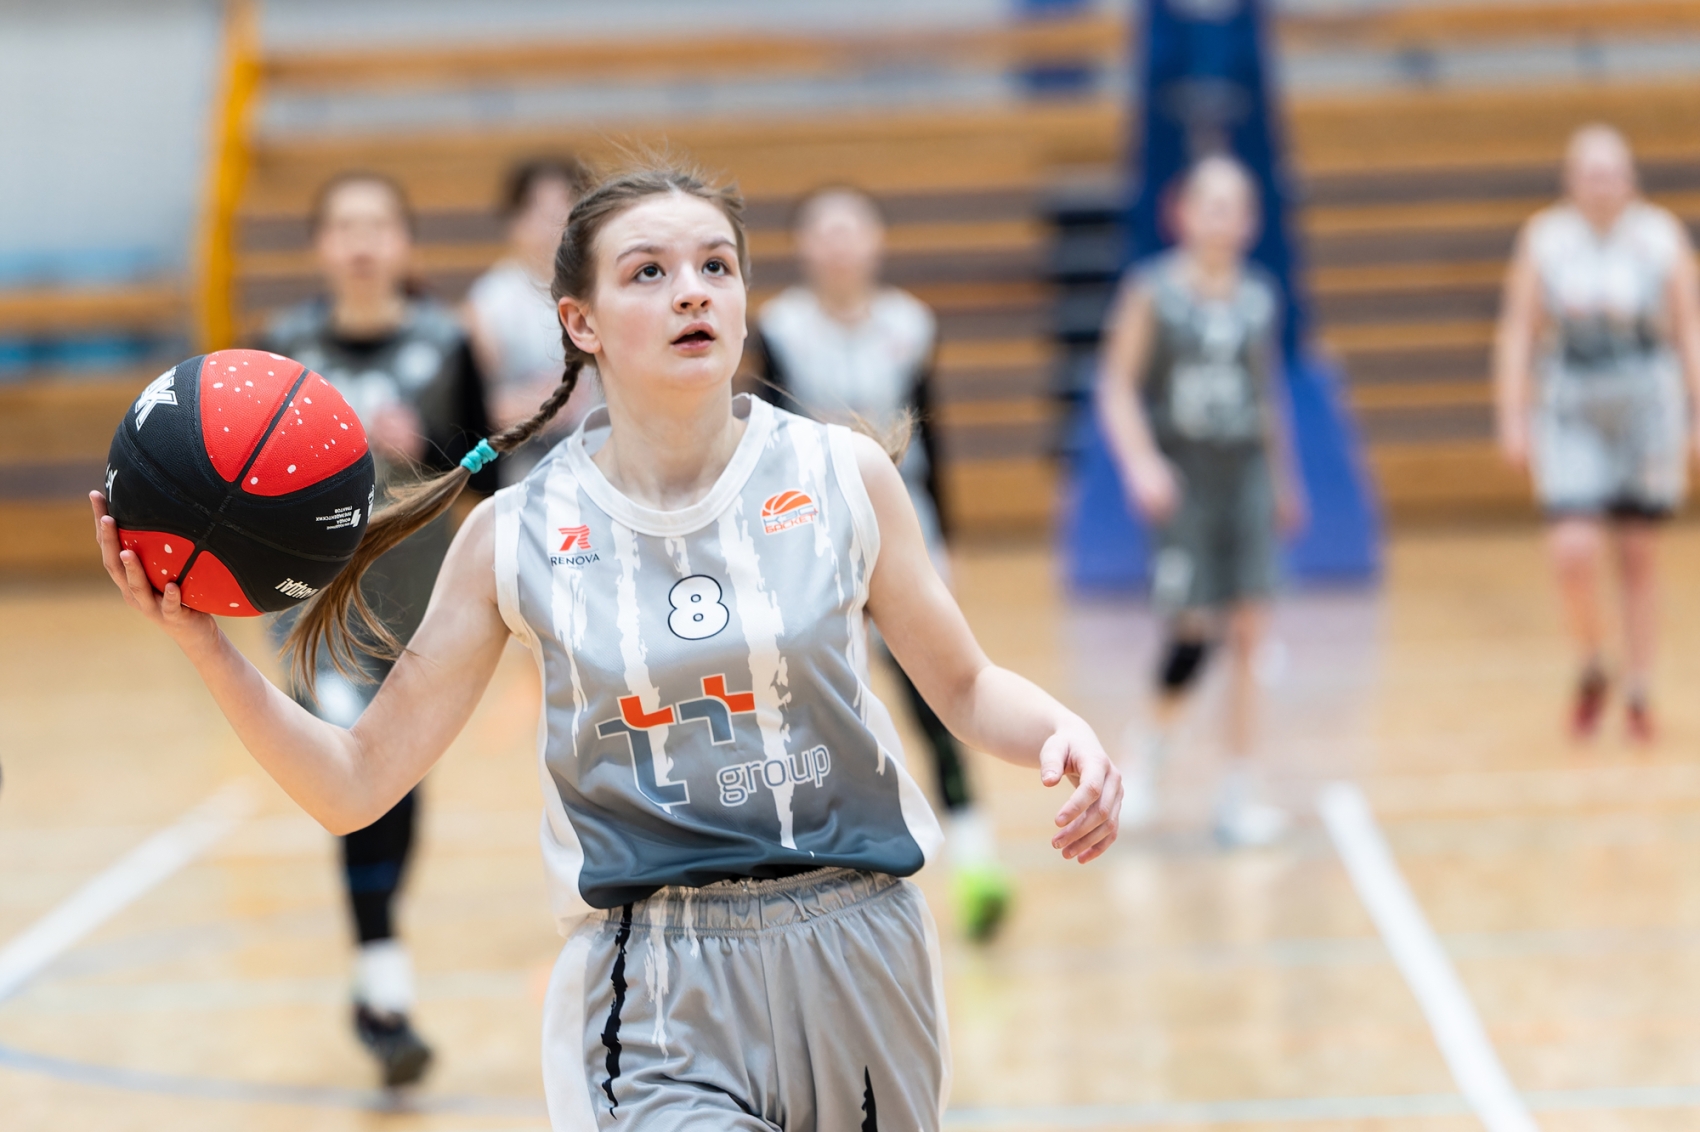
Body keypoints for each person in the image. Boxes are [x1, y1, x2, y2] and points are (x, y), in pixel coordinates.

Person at [92, 161, 1122, 1131]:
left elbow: (966, 686)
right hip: (654, 981)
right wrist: (205, 646)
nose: (693, 291)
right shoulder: (515, 535)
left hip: (863, 947)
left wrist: (1059, 729)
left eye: (716, 266)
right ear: (578, 322)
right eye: (649, 272)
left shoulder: (843, 475)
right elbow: (355, 782)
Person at [259, 170, 496, 1086]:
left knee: (399, 785)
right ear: (320, 245)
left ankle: (377, 973)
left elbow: (486, 469)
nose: (361, 241)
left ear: (405, 243)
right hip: (316, 612)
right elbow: (237, 480)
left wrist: (424, 448)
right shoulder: (282, 348)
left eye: (378, 225)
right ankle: (385, 985)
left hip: (423, 609)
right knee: (354, 778)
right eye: (344, 225)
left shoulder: (446, 343)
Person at [754, 185, 1013, 941]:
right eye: (824, 231)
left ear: (876, 242)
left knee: (938, 696)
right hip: (807, 535)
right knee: (818, 703)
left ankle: (977, 862)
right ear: (804, 246)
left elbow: (936, 432)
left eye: (852, 229)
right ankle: (814, 869)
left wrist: (945, 541)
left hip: (902, 527)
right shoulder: (779, 327)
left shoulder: (910, 324)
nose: (839, 244)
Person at [1097, 154, 1304, 849]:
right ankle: (1146, 753)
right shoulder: (1152, 291)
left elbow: (1268, 392)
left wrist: (1286, 480)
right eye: (1208, 204)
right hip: (1185, 475)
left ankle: (1239, 792)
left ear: (1250, 222)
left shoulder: (1259, 297)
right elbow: (1117, 385)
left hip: (1246, 473)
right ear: (1180, 214)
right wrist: (1140, 463)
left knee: (1249, 631)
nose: (1220, 219)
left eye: (1234, 207)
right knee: (1192, 632)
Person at [1494, 125, 1700, 744]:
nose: (1602, 185)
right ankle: (1592, 664)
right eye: (1590, 174)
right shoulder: (1545, 239)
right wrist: (1512, 413)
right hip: (1572, 405)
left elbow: (1689, 327)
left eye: (1612, 173)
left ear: (1631, 178)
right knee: (1573, 549)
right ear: (1570, 181)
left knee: (1639, 551)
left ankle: (1639, 688)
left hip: (1645, 404)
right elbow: (1518, 329)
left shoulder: (1660, 236)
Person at [467, 156, 602, 483]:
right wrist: (540, 404)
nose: (553, 226)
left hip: (604, 456)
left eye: (564, 210)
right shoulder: (488, 302)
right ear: (514, 221)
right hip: (524, 466)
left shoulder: (605, 292)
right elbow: (475, 410)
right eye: (540, 212)